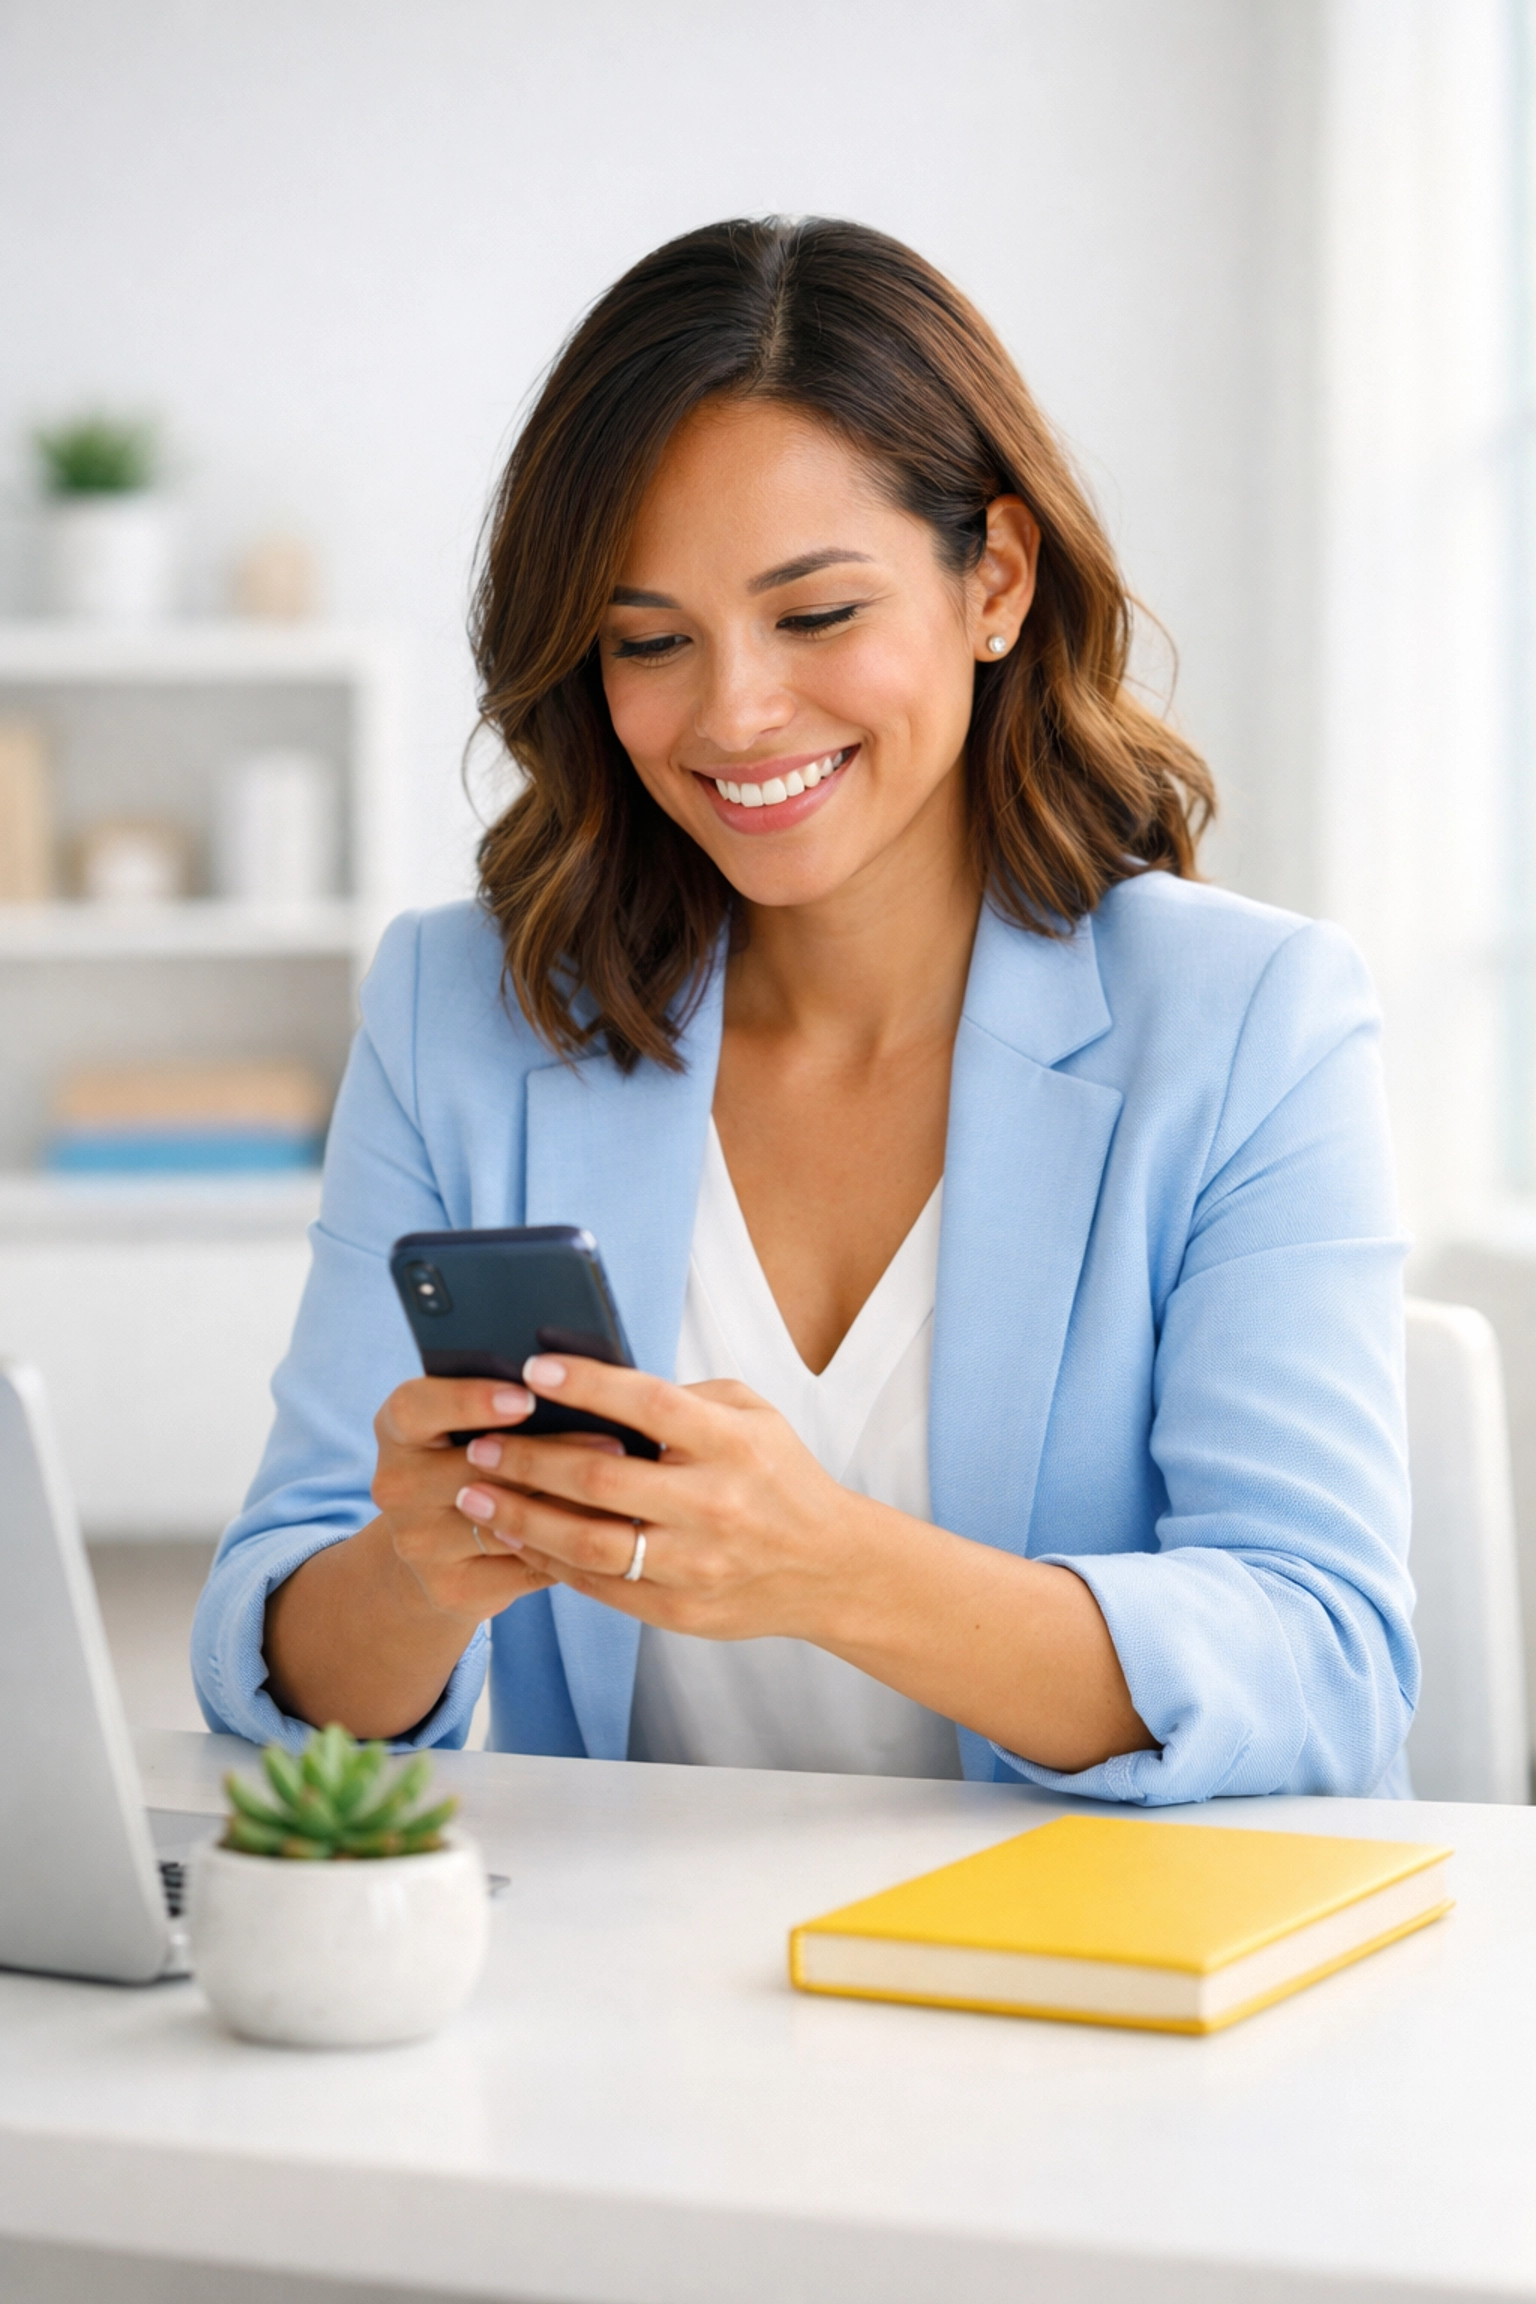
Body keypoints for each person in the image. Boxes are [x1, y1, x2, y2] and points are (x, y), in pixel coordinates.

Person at [193, 217, 1416, 1803]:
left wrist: (828, 1567)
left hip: (1108, 2001)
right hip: (645, 2007)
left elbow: (1326, 1669)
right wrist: (419, 1577)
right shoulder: (461, 1017)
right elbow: (275, 1655)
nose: (736, 712)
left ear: (996, 577)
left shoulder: (1256, 1023)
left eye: (817, 614)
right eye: (650, 642)